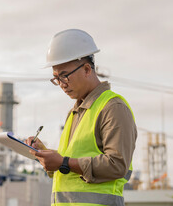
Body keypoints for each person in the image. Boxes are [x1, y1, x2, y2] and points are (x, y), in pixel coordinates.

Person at [25, 29, 137, 206]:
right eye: (56, 78)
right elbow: (69, 169)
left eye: (64, 76)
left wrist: (63, 162)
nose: (61, 84)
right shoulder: (75, 112)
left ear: (86, 69)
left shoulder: (113, 107)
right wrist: (45, 154)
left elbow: (117, 165)